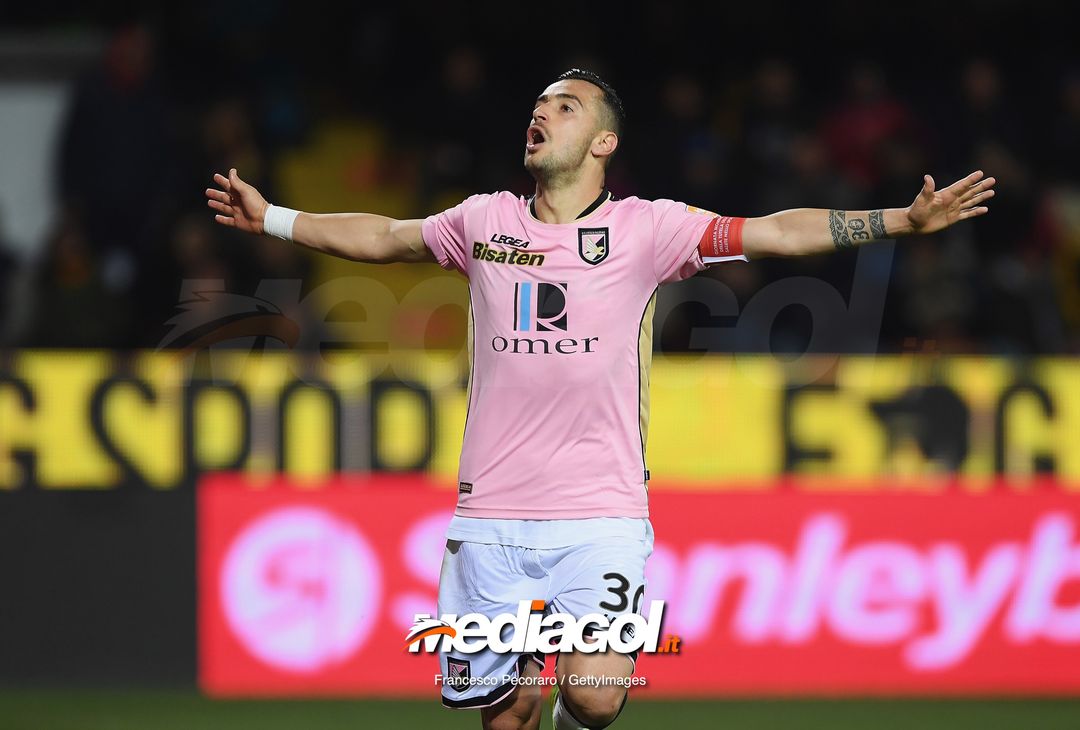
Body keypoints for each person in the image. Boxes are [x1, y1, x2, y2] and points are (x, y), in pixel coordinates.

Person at [206, 68, 995, 730]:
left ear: (603, 143)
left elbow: (776, 232)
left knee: (594, 693)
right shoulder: (483, 221)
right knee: (507, 710)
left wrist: (899, 221)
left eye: (564, 106)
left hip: (601, 515)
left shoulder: (649, 230)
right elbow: (384, 237)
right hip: (491, 517)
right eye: (539, 105)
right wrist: (273, 217)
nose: (541, 114)